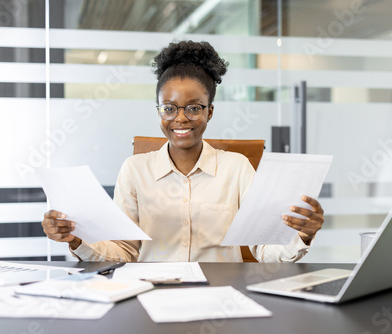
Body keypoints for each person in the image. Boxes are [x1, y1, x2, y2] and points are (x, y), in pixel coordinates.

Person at [41, 40, 324, 262]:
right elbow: (125, 251)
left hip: (220, 293)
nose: (180, 118)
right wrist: (75, 239)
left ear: (209, 112)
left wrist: (301, 234)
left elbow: (264, 248)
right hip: (152, 293)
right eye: (169, 108)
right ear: (159, 110)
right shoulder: (135, 169)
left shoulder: (237, 168)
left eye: (193, 107)